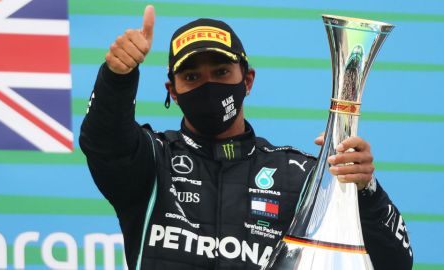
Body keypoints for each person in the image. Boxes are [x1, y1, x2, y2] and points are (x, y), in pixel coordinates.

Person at [80, 5, 413, 270]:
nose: (208, 85)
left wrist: (364, 191)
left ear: (248, 80)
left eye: (221, 72)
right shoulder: (153, 159)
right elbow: (103, 143)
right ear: (173, 92)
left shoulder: (298, 175)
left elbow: (393, 261)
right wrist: (117, 78)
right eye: (192, 76)